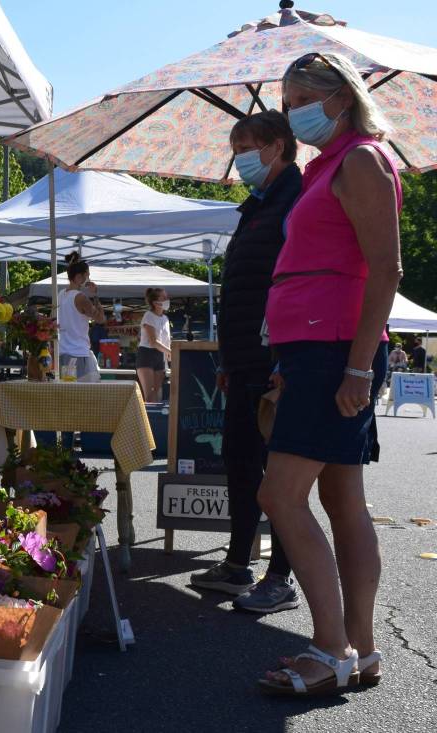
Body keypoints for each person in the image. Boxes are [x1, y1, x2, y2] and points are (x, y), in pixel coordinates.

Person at [256, 52, 402, 696]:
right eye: (287, 104)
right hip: (313, 351)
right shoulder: (328, 167)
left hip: (334, 349)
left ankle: (330, 645)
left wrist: (357, 368)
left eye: (298, 100)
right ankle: (362, 651)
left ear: (341, 97)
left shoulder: (364, 160)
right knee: (342, 500)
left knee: (278, 495)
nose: (292, 114)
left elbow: (387, 269)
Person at [190, 111, 299, 614]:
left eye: (247, 146)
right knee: (239, 459)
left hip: (277, 358)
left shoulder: (295, 201)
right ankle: (238, 564)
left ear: (278, 146)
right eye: (235, 148)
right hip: (244, 359)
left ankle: (281, 575)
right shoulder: (255, 207)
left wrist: (280, 355)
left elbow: (290, 284)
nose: (240, 158)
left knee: (278, 472)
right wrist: (229, 359)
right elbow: (242, 288)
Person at [58, 252, 106, 383]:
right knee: (83, 397)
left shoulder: (61, 294)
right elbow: (101, 319)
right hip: (78, 353)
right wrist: (95, 295)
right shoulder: (80, 297)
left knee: (68, 394)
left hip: (63, 352)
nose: (89, 279)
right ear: (79, 277)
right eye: (87, 275)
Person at [137, 288, 171, 401]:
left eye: (167, 297)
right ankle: (148, 418)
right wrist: (171, 352)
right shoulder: (148, 316)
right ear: (155, 302)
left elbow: (166, 341)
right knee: (150, 394)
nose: (167, 299)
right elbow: (153, 342)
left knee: (157, 393)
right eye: (164, 298)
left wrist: (168, 356)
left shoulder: (165, 318)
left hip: (160, 355)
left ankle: (154, 418)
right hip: (147, 353)